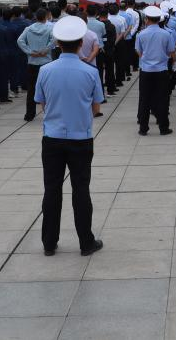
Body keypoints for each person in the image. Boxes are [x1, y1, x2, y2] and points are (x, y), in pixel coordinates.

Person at [36, 15, 104, 258]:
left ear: (57, 43)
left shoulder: (45, 70)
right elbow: (96, 107)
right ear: (80, 43)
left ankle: (49, 242)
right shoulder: (90, 72)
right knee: (81, 189)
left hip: (52, 138)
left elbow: (42, 103)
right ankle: (86, 242)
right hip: (80, 138)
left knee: (51, 189)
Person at [135, 6, 175, 136]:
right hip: (161, 70)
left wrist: (146, 59)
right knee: (162, 99)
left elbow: (138, 51)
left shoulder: (141, 34)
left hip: (146, 71)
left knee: (144, 99)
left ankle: (143, 128)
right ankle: (163, 127)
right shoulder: (166, 34)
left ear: (147, 19)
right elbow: (171, 51)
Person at [18, 8, 55, 122]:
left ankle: (29, 114)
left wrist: (29, 51)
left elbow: (20, 41)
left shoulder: (28, 29)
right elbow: (55, 40)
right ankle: (49, 113)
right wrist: (46, 50)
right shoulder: (50, 28)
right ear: (46, 17)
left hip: (32, 61)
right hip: (46, 62)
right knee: (48, 89)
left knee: (31, 89)